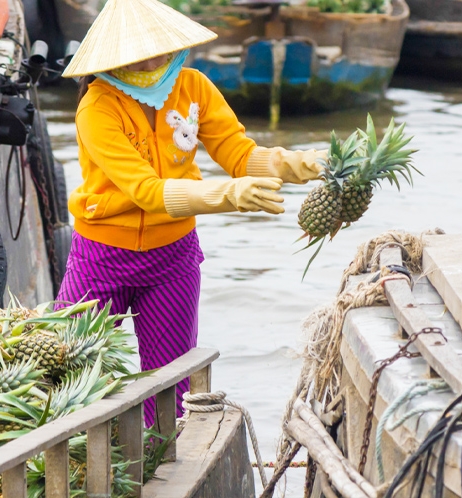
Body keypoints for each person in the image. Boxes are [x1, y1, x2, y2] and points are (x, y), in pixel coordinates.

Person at [60, 0, 324, 427]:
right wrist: (228, 197)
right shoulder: (98, 107)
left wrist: (296, 165)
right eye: (139, 53)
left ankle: (163, 462)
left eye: (160, 48)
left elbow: (239, 154)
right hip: (103, 255)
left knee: (173, 386)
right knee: (68, 368)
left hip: (173, 256)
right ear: (114, 57)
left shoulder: (193, 87)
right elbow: (146, 192)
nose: (154, 61)